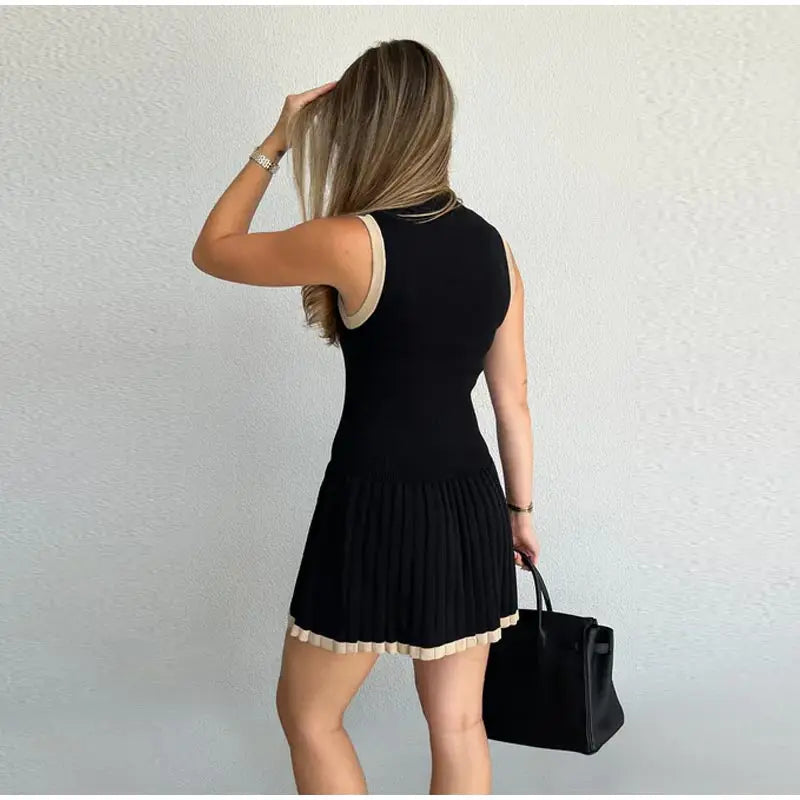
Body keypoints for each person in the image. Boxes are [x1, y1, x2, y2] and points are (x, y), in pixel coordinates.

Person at [192, 38, 539, 796]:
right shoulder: (495, 248)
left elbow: (213, 249)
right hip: (471, 502)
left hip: (372, 500)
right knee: (459, 725)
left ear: (362, 126)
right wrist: (519, 513)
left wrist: (277, 142)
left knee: (310, 716)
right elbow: (511, 402)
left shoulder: (350, 240)